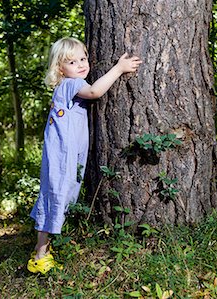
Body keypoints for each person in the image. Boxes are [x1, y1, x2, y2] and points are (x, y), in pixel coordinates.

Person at [27, 37, 142, 274]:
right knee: (57, 194)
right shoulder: (71, 84)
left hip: (64, 153)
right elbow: (95, 91)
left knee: (59, 194)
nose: (81, 64)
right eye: (72, 61)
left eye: (83, 58)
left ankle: (42, 250)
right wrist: (119, 68)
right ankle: (40, 255)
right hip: (62, 155)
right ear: (60, 68)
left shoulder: (68, 85)